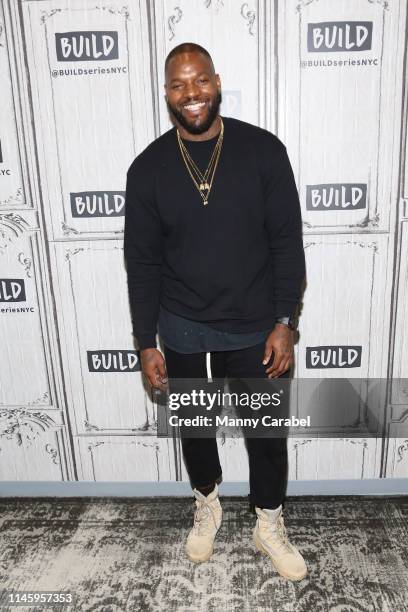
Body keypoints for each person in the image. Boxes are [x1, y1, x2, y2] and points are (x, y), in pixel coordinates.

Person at [124, 42, 307, 581]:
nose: (191, 94)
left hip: (256, 324)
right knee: (196, 428)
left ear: (217, 81)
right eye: (179, 85)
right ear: (166, 94)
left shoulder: (263, 151)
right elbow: (142, 262)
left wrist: (285, 322)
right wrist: (145, 339)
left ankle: (268, 520)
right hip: (181, 325)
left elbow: (286, 243)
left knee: (266, 432)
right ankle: (207, 502)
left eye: (200, 80)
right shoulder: (148, 170)